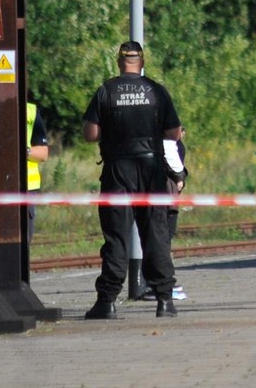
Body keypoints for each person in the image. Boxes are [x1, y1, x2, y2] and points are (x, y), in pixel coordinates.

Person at [81, 41, 187, 319]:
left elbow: (90, 134)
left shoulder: (106, 90)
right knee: (156, 234)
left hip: (118, 168)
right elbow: (174, 132)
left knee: (116, 236)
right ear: (141, 62)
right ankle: (165, 300)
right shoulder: (156, 91)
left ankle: (107, 302)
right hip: (151, 169)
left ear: (119, 61)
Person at [140, 125, 188, 301]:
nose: (182, 133)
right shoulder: (167, 142)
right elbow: (174, 162)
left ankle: (158, 282)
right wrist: (180, 176)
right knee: (162, 238)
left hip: (165, 193)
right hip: (165, 193)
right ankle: (161, 284)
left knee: (161, 237)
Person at [25, 101, 49, 244]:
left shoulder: (31, 111)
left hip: (26, 188)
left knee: (23, 241)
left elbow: (43, 153)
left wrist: (23, 150)